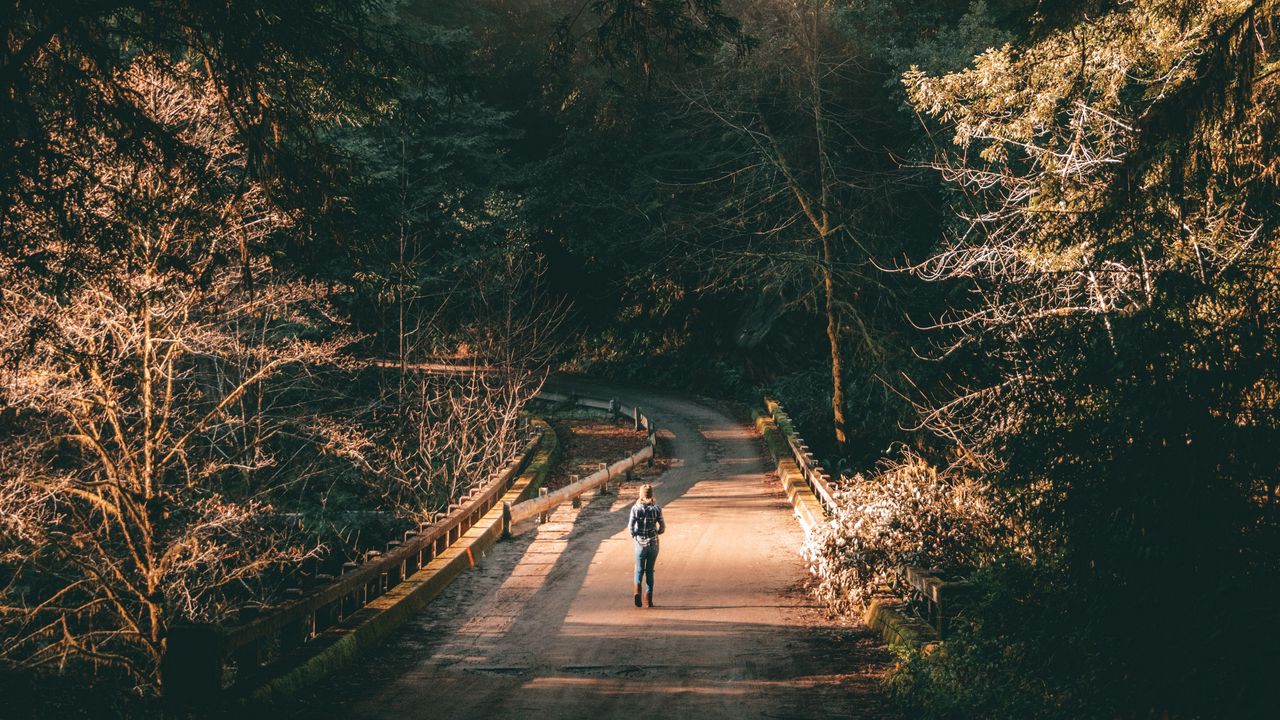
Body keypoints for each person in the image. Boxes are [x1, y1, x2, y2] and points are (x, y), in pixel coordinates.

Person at [629, 483, 665, 608]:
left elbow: (630, 527)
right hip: (653, 543)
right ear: (651, 495)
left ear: (640, 495)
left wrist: (635, 535)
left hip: (640, 543)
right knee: (650, 571)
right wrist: (657, 532)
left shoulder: (635, 508)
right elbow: (662, 527)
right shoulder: (657, 509)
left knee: (638, 570)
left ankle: (636, 592)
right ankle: (648, 600)